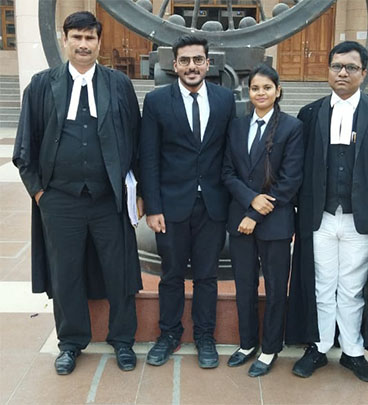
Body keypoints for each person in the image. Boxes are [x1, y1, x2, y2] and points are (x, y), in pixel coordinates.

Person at [12, 11, 143, 375]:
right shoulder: (42, 85)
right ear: (65, 39)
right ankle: (70, 343)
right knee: (65, 273)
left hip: (108, 199)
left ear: (99, 42)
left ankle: (122, 340)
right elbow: (25, 146)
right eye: (77, 37)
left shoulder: (118, 85)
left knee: (118, 272)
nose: (83, 44)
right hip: (59, 201)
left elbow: (137, 141)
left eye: (90, 38)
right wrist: (40, 193)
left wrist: (139, 191)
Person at [285, 41, 368, 382]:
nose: (342, 73)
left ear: (363, 72)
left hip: (359, 218)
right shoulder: (310, 113)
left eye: (351, 67)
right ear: (328, 71)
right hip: (319, 217)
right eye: (337, 66)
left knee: (352, 287)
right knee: (321, 284)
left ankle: (352, 351)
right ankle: (319, 347)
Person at [140, 34, 235, 368]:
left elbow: (230, 153)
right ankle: (169, 334)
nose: (191, 66)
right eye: (185, 60)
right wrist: (153, 207)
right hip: (171, 206)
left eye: (198, 60)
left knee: (207, 276)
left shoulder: (225, 100)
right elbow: (148, 157)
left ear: (208, 64)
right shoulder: (156, 101)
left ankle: (205, 336)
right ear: (174, 65)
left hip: (213, 206)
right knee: (172, 275)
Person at [222, 64, 304, 377]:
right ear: (249, 91)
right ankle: (247, 343)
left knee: (274, 287)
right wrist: (249, 201)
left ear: (278, 91)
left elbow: (290, 179)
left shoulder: (292, 128)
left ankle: (269, 348)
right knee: (244, 285)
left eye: (267, 87)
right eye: (255, 88)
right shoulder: (237, 126)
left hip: (275, 221)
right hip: (240, 219)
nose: (261, 93)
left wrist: (255, 213)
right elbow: (227, 172)